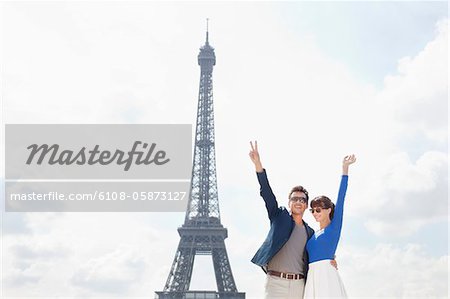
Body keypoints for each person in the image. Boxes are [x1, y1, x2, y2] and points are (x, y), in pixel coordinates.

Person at [249, 141, 336, 299]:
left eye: (302, 200)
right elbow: (267, 193)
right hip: (275, 283)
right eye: (294, 199)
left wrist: (332, 260)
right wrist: (258, 166)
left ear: (305, 206)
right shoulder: (279, 217)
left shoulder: (310, 232)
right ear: (289, 203)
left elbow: (319, 251)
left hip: (299, 285)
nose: (298, 202)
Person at [303, 154, 356, 298]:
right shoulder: (312, 234)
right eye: (312, 210)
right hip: (312, 276)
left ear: (329, 210)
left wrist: (344, 169)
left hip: (326, 276)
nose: (315, 213)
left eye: (318, 209)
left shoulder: (334, 228)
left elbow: (341, 196)